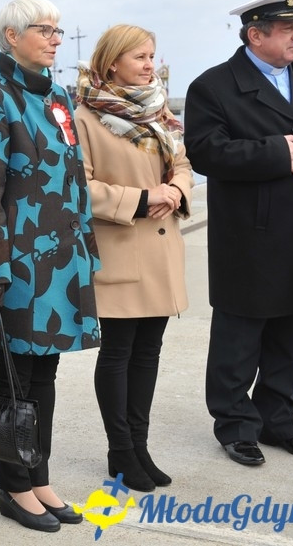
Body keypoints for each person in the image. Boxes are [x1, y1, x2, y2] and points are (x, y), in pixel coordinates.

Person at [184, 0, 293, 467]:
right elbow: (206, 152)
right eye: (288, 27)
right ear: (256, 35)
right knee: (240, 337)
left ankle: (280, 420)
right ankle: (236, 426)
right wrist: (277, 152)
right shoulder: (213, 86)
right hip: (251, 235)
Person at [0, 0, 99, 533]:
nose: (55, 38)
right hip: (17, 263)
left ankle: (38, 475)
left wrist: (87, 248)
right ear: (12, 37)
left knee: (46, 370)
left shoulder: (59, 96)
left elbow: (73, 179)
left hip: (62, 261)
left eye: (59, 30)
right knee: (15, 372)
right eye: (44, 29)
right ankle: (13, 486)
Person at [75, 25, 192, 491]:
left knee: (149, 352)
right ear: (111, 63)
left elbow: (181, 162)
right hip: (122, 251)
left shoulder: (158, 110)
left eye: (152, 56)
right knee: (119, 353)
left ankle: (140, 445)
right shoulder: (85, 117)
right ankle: (120, 450)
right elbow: (80, 190)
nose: (149, 64)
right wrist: (145, 198)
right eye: (140, 57)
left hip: (162, 250)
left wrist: (178, 190)